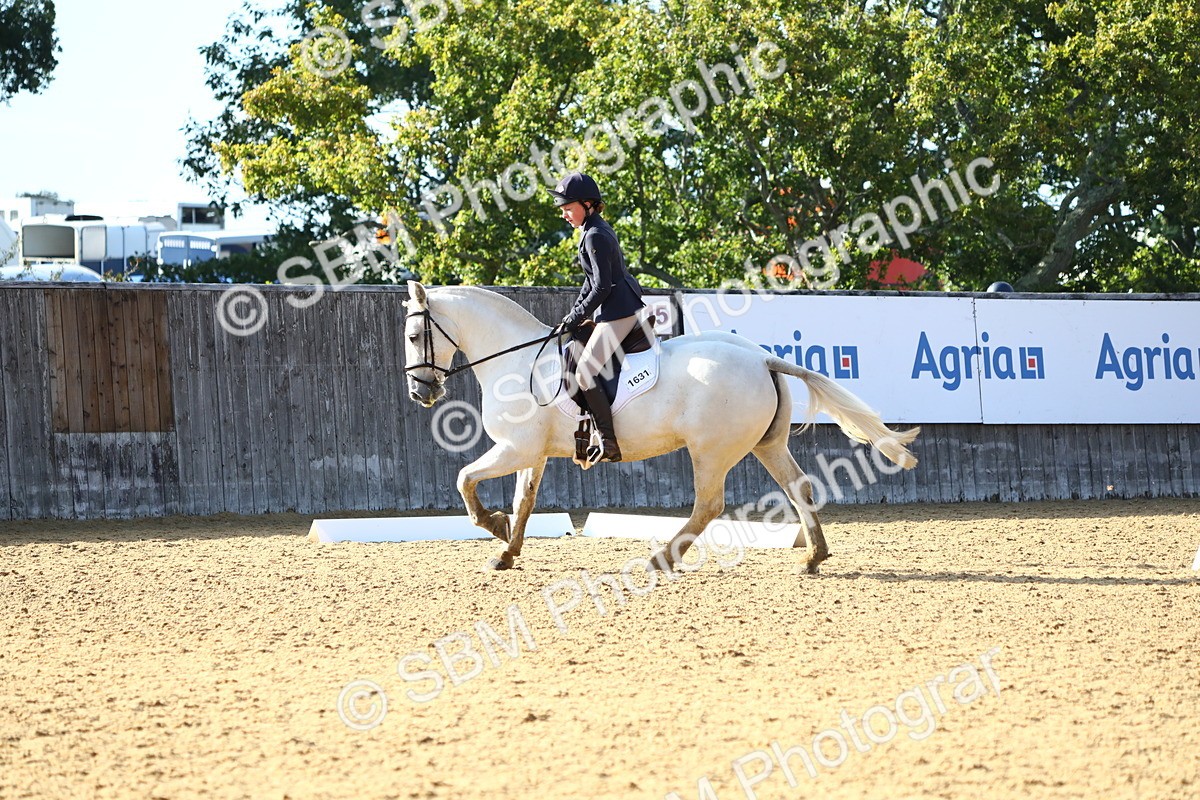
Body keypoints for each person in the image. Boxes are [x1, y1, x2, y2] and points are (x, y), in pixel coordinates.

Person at [549, 172, 646, 463]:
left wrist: (579, 315)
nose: (565, 214)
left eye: (568, 207)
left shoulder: (595, 236)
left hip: (619, 311)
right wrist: (573, 315)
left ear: (588, 204)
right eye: (563, 209)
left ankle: (609, 441)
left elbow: (602, 287)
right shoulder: (591, 231)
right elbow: (590, 283)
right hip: (613, 308)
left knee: (585, 372)